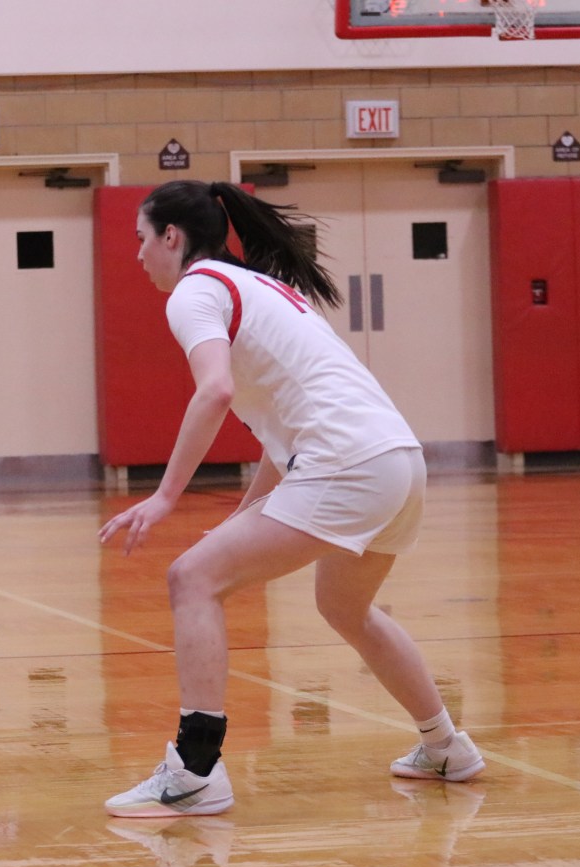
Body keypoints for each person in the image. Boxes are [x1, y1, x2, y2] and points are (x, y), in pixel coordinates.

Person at [100, 180, 485, 818]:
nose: (138, 255)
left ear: (172, 237)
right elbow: (287, 446)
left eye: (141, 240)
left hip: (349, 465)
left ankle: (195, 771)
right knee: (345, 606)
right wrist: (240, 519)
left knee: (191, 579)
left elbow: (214, 390)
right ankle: (446, 746)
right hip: (398, 463)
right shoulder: (259, 288)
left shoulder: (197, 289)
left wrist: (166, 496)